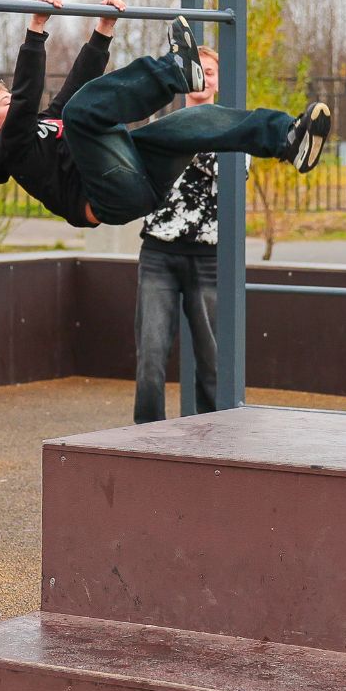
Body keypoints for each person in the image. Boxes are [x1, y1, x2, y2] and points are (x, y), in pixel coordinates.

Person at [0, 0, 329, 229]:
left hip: (142, 180)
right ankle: (174, 72)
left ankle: (287, 138)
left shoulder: (46, 124)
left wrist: (102, 32)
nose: (16, 102)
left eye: (10, 97)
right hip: (106, 197)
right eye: (5, 103)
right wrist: (35, 31)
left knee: (194, 121)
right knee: (80, 114)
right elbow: (28, 99)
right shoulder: (9, 150)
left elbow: (77, 84)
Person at [133, 55, 229, 423]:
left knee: (213, 359)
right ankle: (145, 437)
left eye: (209, 72)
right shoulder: (160, 126)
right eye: (194, 70)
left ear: (218, 81)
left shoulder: (231, 129)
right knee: (151, 355)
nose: (202, 78)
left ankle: (215, 437)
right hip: (158, 252)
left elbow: (234, 176)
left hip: (209, 257)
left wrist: (188, 142)